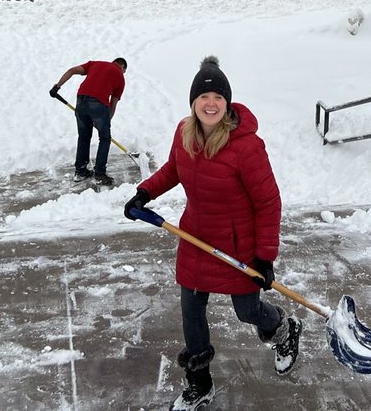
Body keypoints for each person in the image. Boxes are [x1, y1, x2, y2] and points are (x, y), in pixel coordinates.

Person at [124, 55, 301, 411]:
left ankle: (284, 327)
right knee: (191, 312)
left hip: (238, 248)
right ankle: (199, 383)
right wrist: (145, 192)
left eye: (218, 98)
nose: (210, 103)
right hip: (195, 240)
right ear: (193, 103)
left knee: (247, 311)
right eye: (203, 98)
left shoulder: (247, 147)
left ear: (227, 102)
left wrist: (265, 256)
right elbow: (174, 168)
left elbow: (269, 202)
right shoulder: (184, 132)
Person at [50, 56, 127, 187]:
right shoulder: (120, 76)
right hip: (98, 104)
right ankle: (100, 174)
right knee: (104, 138)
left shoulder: (95, 64)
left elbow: (71, 70)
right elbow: (113, 104)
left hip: (81, 100)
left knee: (84, 136)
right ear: (122, 68)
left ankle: (80, 171)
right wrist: (105, 123)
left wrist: (57, 87)